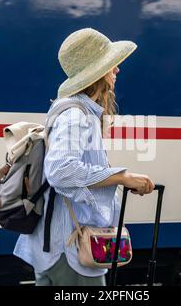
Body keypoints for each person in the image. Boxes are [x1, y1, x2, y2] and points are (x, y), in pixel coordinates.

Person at [14, 28, 155, 286]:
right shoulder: (76, 115)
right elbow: (60, 170)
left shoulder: (78, 111)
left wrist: (116, 180)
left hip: (60, 246)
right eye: (112, 65)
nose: (117, 70)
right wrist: (121, 177)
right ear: (97, 72)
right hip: (70, 249)